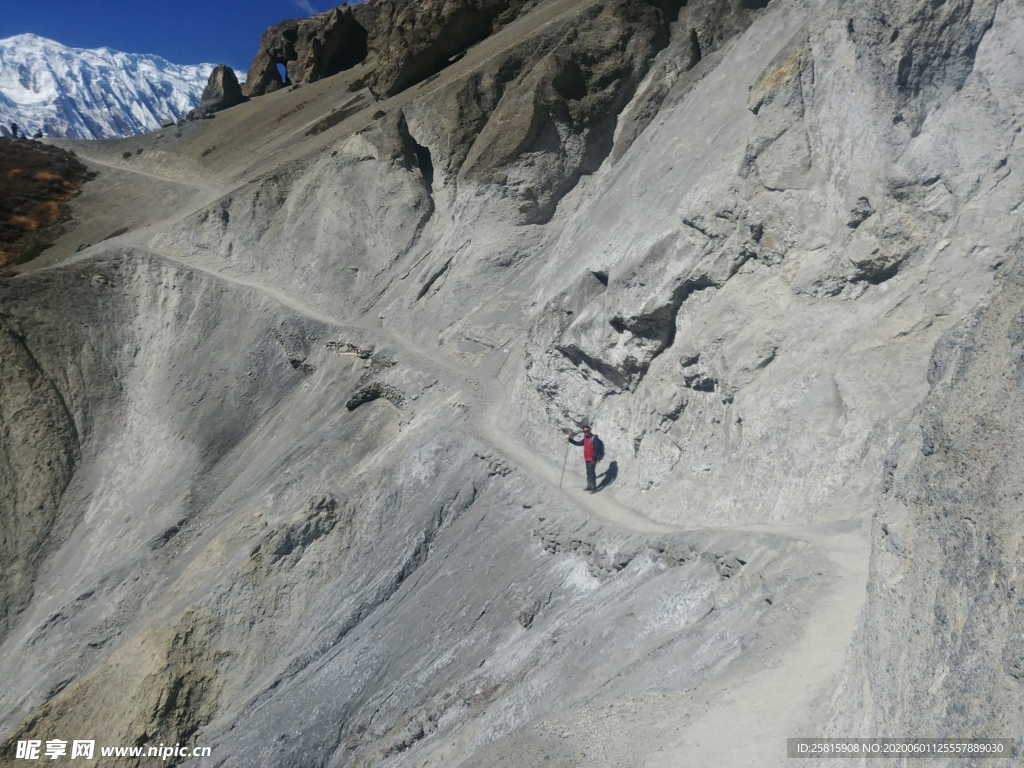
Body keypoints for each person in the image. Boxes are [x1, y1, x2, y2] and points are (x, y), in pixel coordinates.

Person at [567, 426, 598, 492]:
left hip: (592, 459)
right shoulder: (585, 438)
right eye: (584, 431)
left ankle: (594, 487)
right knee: (588, 472)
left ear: (589, 430)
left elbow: (596, 449)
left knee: (592, 473)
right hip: (587, 458)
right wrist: (571, 441)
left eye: (587, 431)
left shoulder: (593, 438)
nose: (585, 432)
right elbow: (579, 443)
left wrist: (594, 458)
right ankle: (589, 486)